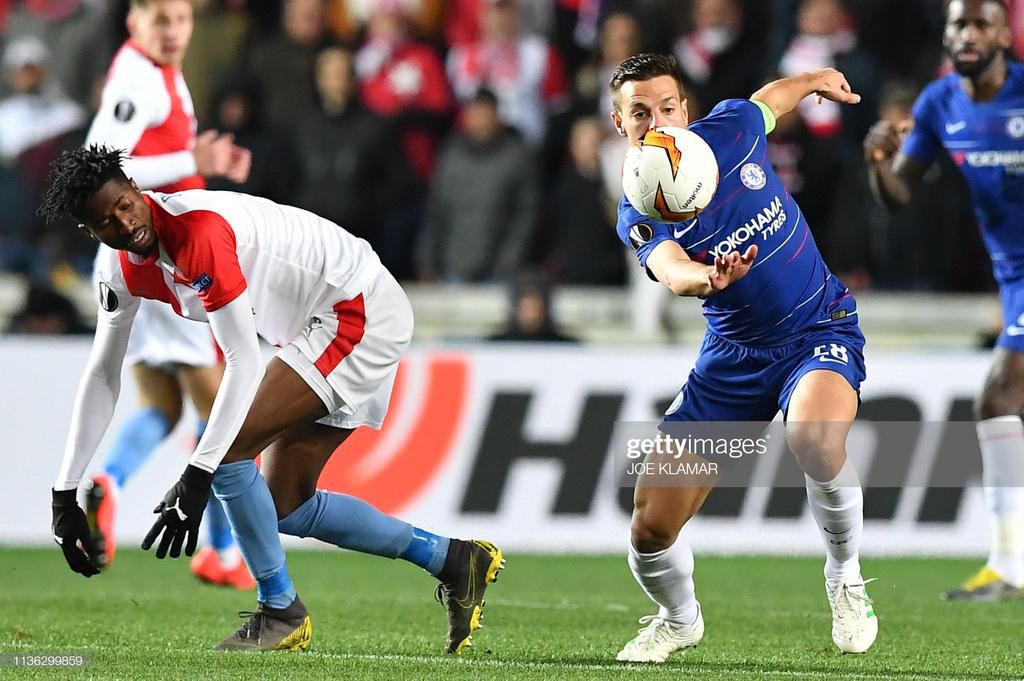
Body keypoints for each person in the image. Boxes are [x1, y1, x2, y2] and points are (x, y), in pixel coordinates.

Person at [41, 144, 504, 653]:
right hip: (316, 323)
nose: (124, 223)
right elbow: (104, 372)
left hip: (356, 308)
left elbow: (241, 361)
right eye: (105, 222)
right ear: (91, 233)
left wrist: (197, 476)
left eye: (124, 205)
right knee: (284, 502)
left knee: (227, 454)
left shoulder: (198, 234)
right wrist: (64, 494)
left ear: (135, 188)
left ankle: (280, 609)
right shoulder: (117, 269)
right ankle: (455, 560)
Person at [610, 53, 876, 662]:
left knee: (814, 437)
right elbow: (670, 271)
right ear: (619, 122)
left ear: (686, 109)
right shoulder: (640, 208)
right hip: (733, 358)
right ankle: (679, 619)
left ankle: (846, 576)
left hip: (816, 325)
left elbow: (769, 99)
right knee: (650, 530)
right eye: (640, 112)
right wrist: (708, 279)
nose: (657, 121)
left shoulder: (729, 131)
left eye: (668, 107)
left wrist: (812, 81)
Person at [81, 0, 255, 589]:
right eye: (162, 19)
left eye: (182, 19)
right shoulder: (136, 76)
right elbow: (98, 166)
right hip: (162, 260)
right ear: (134, 20)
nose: (175, 31)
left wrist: (206, 165)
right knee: (228, 415)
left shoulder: (157, 70)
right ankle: (225, 553)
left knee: (163, 407)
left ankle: (109, 480)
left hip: (139, 259)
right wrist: (192, 160)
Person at [864, 0, 1024, 601]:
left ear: (1005, 35)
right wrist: (878, 163)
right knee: (1001, 403)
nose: (969, 34)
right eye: (960, 23)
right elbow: (900, 193)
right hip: (1011, 274)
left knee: (999, 396)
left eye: (982, 23)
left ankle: (1010, 566)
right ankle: (1009, 565)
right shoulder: (938, 103)